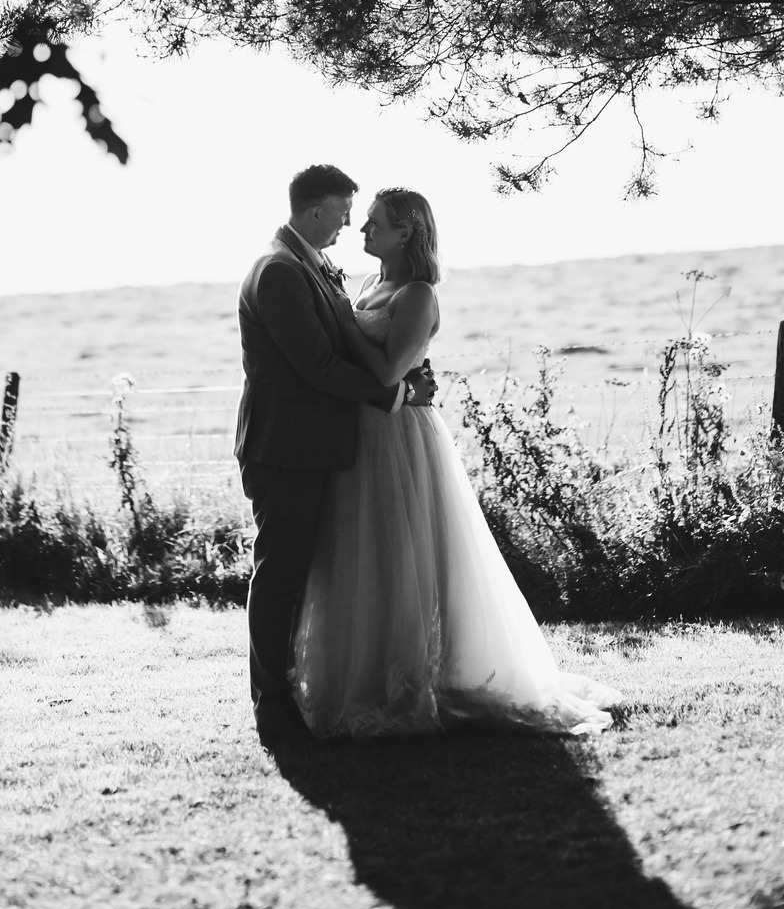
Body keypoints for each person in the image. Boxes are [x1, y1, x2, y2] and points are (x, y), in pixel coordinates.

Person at [292, 187, 623, 739]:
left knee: (407, 554)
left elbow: (391, 372)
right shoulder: (373, 283)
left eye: (374, 224)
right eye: (364, 222)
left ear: (407, 233)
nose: (362, 231)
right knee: (366, 554)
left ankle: (417, 676)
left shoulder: (418, 293)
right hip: (363, 434)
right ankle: (369, 671)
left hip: (400, 435)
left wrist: (350, 329)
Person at [236, 165, 436, 746]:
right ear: (318, 209)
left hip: (314, 444)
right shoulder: (279, 271)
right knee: (281, 573)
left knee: (308, 571)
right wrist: (396, 393)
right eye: (346, 211)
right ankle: (272, 706)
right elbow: (317, 367)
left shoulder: (305, 265)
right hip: (286, 446)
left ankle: (304, 686)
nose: (351, 224)